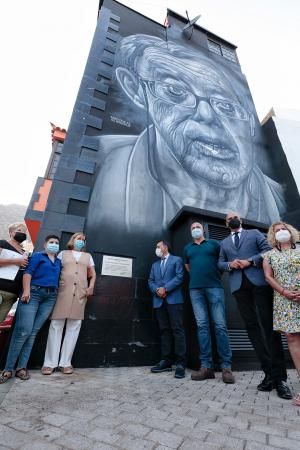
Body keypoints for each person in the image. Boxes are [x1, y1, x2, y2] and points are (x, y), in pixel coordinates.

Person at [86, 34, 286, 247]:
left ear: (251, 124)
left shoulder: (278, 197)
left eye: (226, 107)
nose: (207, 115)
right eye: (176, 92)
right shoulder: (100, 161)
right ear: (136, 90)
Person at [218, 211, 292, 399]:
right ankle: (269, 374)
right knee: (252, 330)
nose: (231, 220)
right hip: (239, 288)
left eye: (234, 217)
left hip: (259, 284)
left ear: (240, 219)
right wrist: (229, 265)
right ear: (226, 223)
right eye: (228, 219)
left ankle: (280, 379)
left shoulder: (254, 234)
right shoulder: (224, 243)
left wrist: (250, 261)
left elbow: (267, 250)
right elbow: (219, 263)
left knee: (269, 328)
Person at [0, 235, 61, 383]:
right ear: (45, 244)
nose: (54, 245)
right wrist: (26, 291)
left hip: (50, 297)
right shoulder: (38, 256)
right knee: (23, 331)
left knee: (33, 332)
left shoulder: (59, 262)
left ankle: (21, 368)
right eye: (51, 242)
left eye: (57, 243)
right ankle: (8, 369)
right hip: (33, 293)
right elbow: (27, 273)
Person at [184, 222, 234, 383]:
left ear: (203, 229)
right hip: (195, 290)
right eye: (192, 228)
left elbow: (222, 263)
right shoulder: (188, 248)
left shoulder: (214, 244)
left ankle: (226, 367)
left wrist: (213, 276)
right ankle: (206, 367)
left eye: (197, 227)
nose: (195, 229)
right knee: (202, 327)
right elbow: (187, 266)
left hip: (214, 288)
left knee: (220, 326)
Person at [42, 232, 96, 375]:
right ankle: (49, 363)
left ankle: (66, 363)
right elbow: (55, 270)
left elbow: (92, 273)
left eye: (83, 240)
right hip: (63, 292)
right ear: (73, 240)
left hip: (80, 293)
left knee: (74, 327)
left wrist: (91, 287)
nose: (81, 241)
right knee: (56, 326)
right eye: (79, 239)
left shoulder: (88, 256)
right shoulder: (63, 254)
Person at [263, 222, 300, 406]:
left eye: (283, 229)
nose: (281, 232)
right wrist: (285, 292)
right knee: (292, 338)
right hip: (284, 300)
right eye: (277, 231)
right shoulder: (269, 255)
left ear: (291, 231)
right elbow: (268, 277)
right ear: (272, 236)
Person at [148, 240, 186, 378]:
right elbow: (150, 281)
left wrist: (166, 288)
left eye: (158, 246)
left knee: (177, 330)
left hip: (174, 300)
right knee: (164, 330)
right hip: (159, 301)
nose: (156, 249)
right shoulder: (154, 265)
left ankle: (181, 364)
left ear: (165, 247)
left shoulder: (177, 260)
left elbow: (180, 276)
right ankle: (166, 361)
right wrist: (157, 289)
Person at [0, 223, 28, 324]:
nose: (22, 233)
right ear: (11, 232)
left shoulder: (25, 253)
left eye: (24, 232)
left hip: (12, 295)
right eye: (20, 230)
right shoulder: (2, 243)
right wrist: (16, 261)